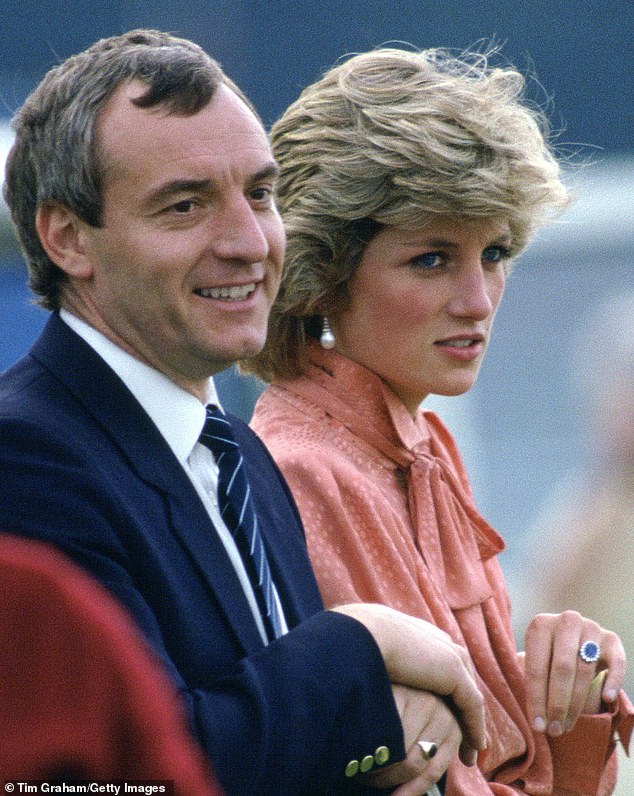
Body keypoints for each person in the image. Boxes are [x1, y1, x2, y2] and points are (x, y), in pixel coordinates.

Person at [0, 30, 488, 796]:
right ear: (67, 239)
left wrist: (383, 748)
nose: (248, 242)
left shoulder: (240, 457)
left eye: (260, 194)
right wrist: (361, 641)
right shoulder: (24, 457)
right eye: (186, 205)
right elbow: (134, 774)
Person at [247, 47, 634, 795]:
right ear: (324, 271)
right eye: (431, 259)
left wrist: (574, 695)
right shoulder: (307, 470)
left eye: (494, 253)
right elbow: (436, 779)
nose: (479, 300)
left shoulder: (424, 447)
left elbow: (504, 762)